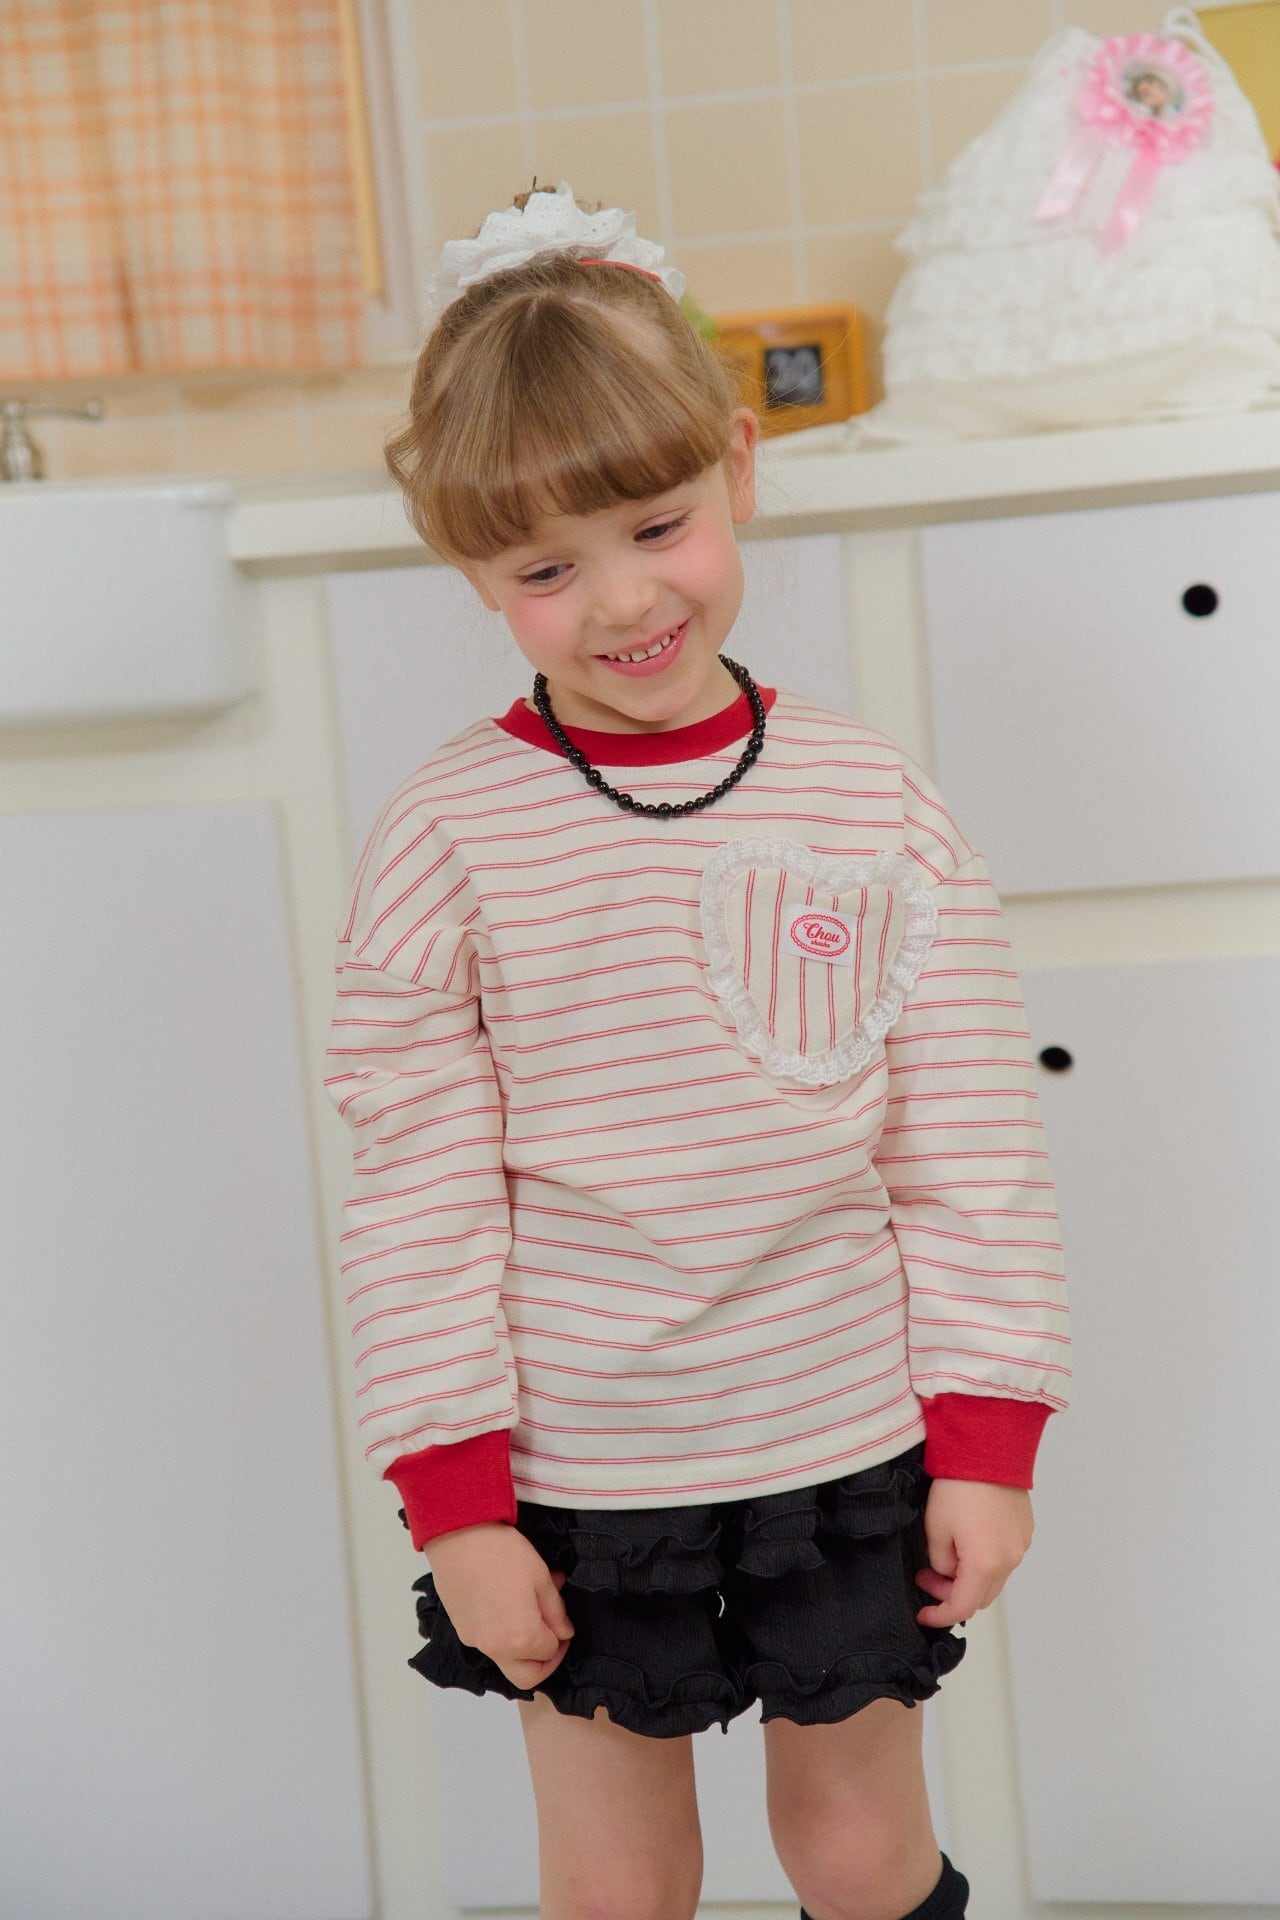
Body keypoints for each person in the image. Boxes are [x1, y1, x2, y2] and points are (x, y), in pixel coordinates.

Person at [323, 181, 1072, 1920]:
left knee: (863, 1848)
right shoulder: (445, 838)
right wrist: (456, 1503)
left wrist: (987, 1436)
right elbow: (418, 1190)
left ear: (736, 464)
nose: (620, 599)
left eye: (656, 524)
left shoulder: (873, 799)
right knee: (618, 1875)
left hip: (849, 1443)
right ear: (471, 571)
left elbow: (965, 1140)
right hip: (577, 1473)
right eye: (543, 568)